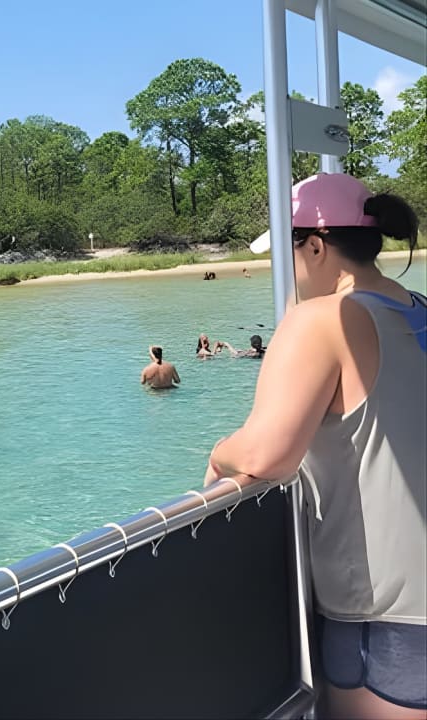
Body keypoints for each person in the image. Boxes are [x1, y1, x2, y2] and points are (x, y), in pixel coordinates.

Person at [203, 173, 426, 719]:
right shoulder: (419, 307)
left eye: (290, 252)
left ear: (317, 246)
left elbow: (265, 454)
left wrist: (218, 454)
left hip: (387, 620)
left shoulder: (322, 320)